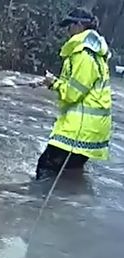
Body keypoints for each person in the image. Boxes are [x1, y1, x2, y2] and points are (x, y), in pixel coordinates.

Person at [35, 7, 113, 180]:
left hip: (79, 129)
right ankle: (69, 203)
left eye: (69, 26)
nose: (67, 31)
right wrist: (53, 82)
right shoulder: (93, 52)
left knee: (45, 168)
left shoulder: (83, 54)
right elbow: (79, 84)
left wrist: (54, 83)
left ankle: (38, 206)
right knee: (68, 175)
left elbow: (72, 94)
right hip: (91, 129)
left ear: (79, 25)